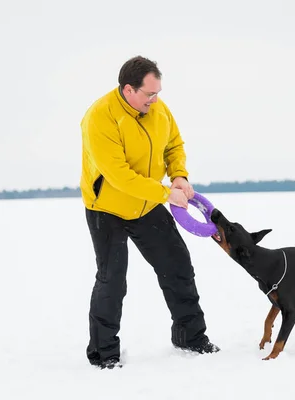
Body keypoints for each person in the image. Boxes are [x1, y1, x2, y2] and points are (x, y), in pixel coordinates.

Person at [79, 55, 219, 369]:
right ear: (128, 90)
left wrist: (179, 175)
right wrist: (164, 192)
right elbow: (118, 174)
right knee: (112, 280)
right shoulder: (100, 117)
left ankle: (191, 338)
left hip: (146, 206)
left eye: (157, 93)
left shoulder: (158, 109)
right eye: (148, 94)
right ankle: (104, 355)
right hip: (107, 208)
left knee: (178, 266)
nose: (154, 100)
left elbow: (174, 144)